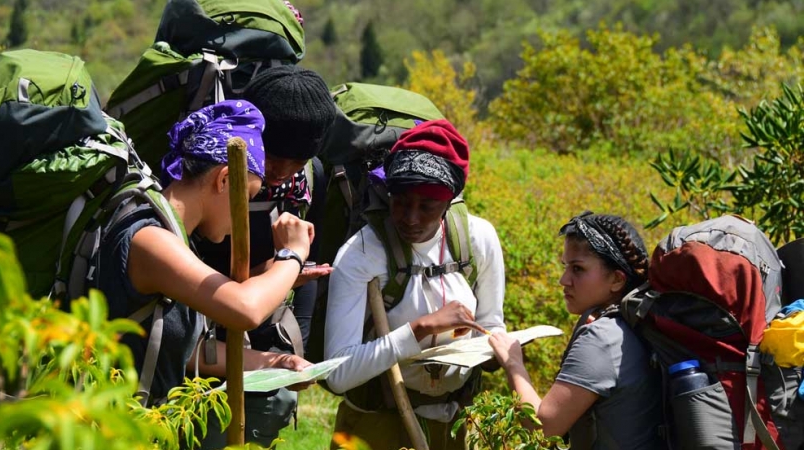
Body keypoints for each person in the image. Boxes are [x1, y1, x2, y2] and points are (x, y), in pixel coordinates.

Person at [93, 100, 315, 411]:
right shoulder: (150, 238)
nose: (245, 215)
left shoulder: (173, 235)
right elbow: (245, 308)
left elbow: (187, 349)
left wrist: (276, 363)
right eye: (247, 197)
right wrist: (292, 254)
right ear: (224, 179)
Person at [324, 119, 506, 450]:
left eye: (427, 207)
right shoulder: (363, 251)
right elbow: (337, 374)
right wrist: (420, 329)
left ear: (449, 202)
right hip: (376, 420)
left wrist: (497, 350)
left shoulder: (477, 240)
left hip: (452, 423)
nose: (411, 218)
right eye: (401, 202)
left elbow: (492, 323)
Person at [192, 65, 337, 448]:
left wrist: (295, 346)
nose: (281, 173)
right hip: (197, 321)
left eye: (296, 162)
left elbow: (303, 269)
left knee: (263, 414)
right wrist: (276, 268)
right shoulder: (215, 170)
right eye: (273, 159)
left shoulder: (309, 180)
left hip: (258, 322)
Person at [489, 212, 665, 449]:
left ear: (616, 279)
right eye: (565, 266)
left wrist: (513, 364)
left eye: (578, 269)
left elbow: (543, 429)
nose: (564, 280)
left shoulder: (603, 338)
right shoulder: (638, 320)